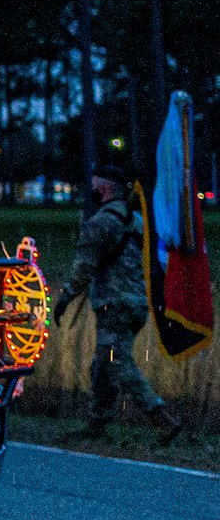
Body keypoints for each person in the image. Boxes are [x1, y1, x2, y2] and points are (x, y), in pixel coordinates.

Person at [59, 165, 182, 443]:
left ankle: (161, 417)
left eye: (93, 187)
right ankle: (97, 424)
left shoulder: (99, 224)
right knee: (103, 364)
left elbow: (83, 268)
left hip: (113, 306)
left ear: (102, 190)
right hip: (137, 304)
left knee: (117, 362)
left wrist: (65, 297)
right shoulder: (138, 221)